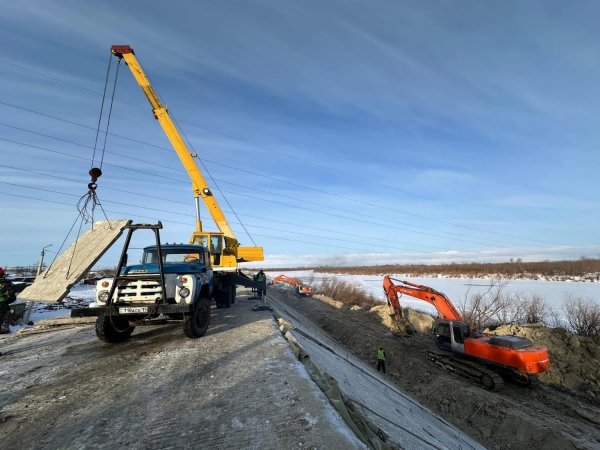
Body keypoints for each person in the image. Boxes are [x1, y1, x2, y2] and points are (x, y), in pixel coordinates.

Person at [0, 268, 17, 335]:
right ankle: (3, 330)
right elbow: (11, 294)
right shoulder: (5, 283)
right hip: (2, 303)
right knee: (2, 317)